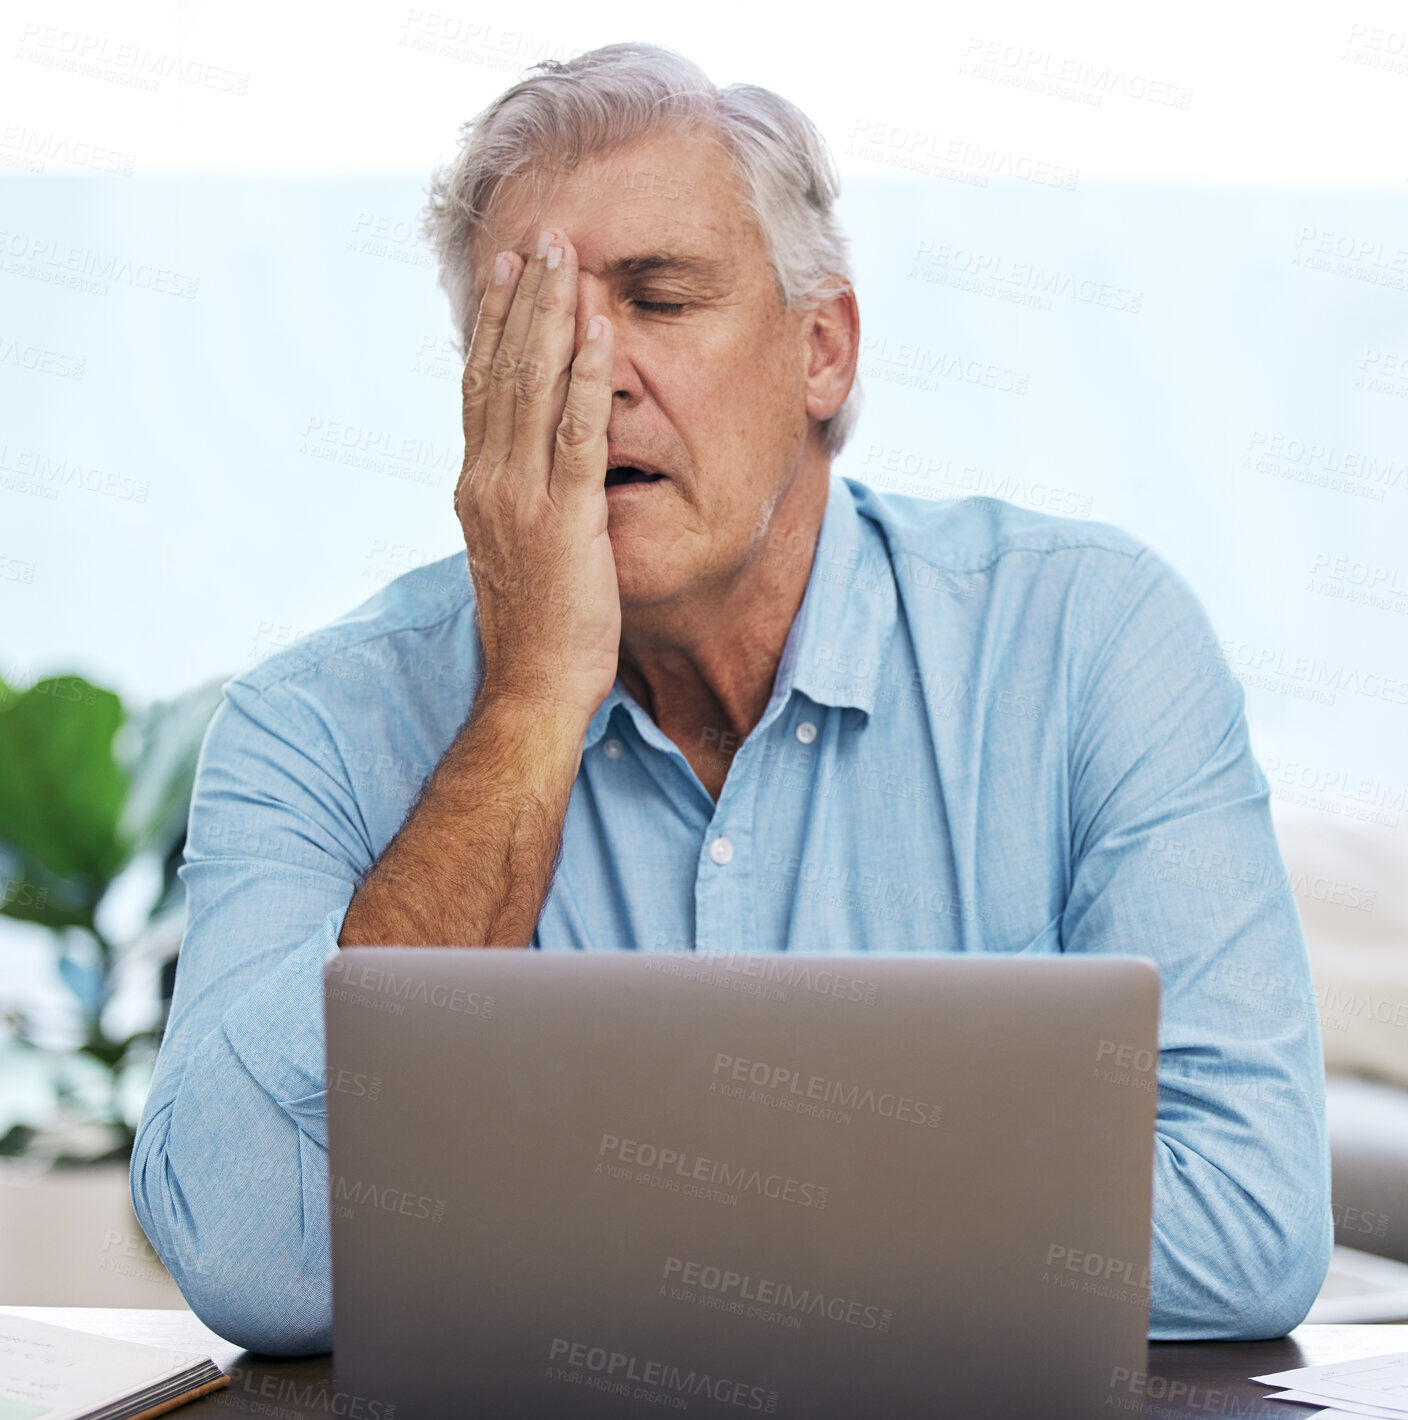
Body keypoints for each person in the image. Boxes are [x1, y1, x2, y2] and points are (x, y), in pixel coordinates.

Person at [130, 41, 1332, 1356]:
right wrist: (530, 703)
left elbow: (1245, 1215)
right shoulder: (312, 724)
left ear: (821, 350)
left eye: (657, 297)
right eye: (529, 325)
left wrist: (619, 1216)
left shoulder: (1093, 641)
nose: (595, 379)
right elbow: (253, 1255)